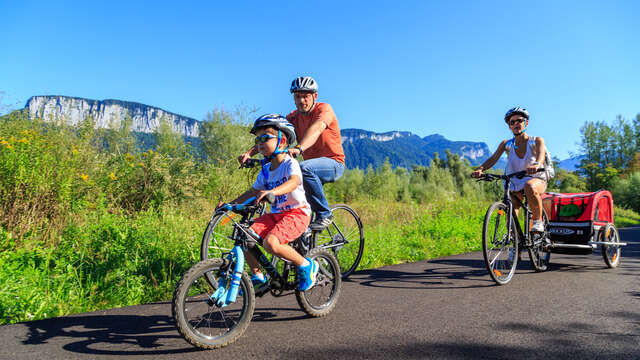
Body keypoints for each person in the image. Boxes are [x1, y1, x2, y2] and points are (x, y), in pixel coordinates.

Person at [222, 114, 318, 292]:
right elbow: (252, 192)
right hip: (276, 214)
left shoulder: (290, 163)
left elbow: (294, 182)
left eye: (265, 138)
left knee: (271, 243)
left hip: (297, 213)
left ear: (282, 142)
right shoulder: (266, 170)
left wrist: (272, 191)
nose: (259, 143)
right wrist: (230, 204)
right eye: (257, 139)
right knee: (245, 235)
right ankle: (258, 275)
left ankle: (306, 265)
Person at [239, 76, 345, 230]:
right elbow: (271, 136)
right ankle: (304, 245)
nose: (302, 100)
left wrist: (299, 148)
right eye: (298, 96)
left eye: (306, 96)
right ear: (293, 98)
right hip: (310, 168)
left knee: (303, 168)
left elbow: (316, 129)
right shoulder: (293, 117)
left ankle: (324, 214)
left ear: (314, 96)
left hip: (333, 163)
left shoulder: (324, 109)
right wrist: (250, 153)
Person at [471, 107, 548, 232]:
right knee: (511, 204)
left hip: (535, 177)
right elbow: (493, 159)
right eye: (512, 122)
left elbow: (541, 156)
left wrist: (537, 165)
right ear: (509, 126)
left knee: (529, 186)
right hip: (515, 179)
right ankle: (513, 237)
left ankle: (538, 221)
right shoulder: (506, 144)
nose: (516, 124)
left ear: (526, 123)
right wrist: (480, 169)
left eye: (519, 120)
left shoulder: (536, 140)